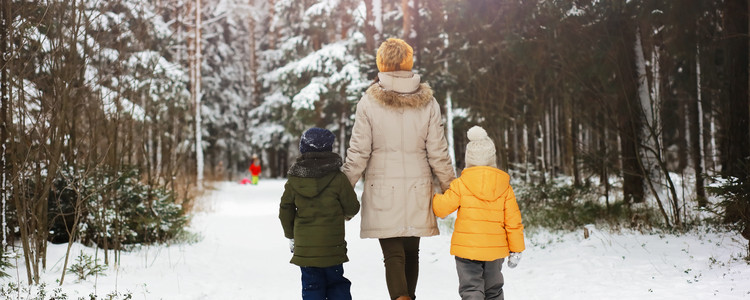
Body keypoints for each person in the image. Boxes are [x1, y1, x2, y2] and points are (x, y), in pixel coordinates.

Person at [342, 38, 456, 300]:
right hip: (418, 188)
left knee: (393, 255)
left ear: (381, 63)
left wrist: (341, 189)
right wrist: (452, 188)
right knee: (411, 253)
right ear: (408, 62)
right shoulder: (429, 103)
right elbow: (438, 153)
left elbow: (359, 153)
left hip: (382, 189)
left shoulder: (369, 102)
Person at [432, 126, 525, 300]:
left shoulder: (461, 184)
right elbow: (513, 221)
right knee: (494, 291)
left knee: (471, 289)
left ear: (469, 160)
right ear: (492, 159)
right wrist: (517, 249)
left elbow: (441, 209)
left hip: (467, 250)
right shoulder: (505, 187)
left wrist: (432, 197)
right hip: (495, 251)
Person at [279, 127, 361, 300]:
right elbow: (352, 207)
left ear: (303, 149)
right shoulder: (338, 178)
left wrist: (291, 235)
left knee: (312, 286)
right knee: (337, 284)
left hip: (305, 248)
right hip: (333, 246)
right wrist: (344, 214)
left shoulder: (295, 178)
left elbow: (285, 209)